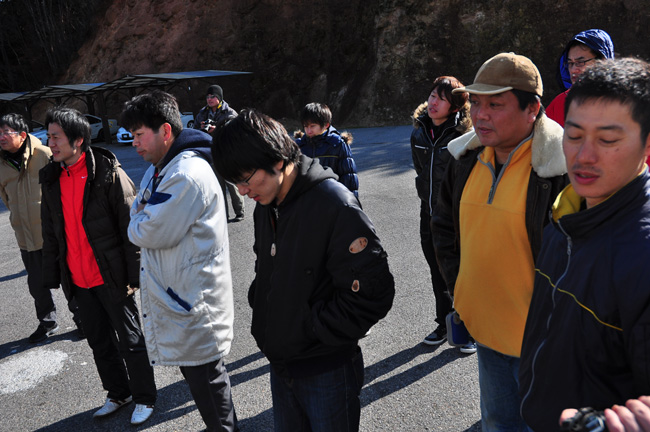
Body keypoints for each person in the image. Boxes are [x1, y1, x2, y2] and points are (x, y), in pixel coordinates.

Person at [212, 109, 395, 432]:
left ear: (277, 159)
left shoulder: (334, 204)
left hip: (327, 370)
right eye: (234, 181)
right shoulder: (267, 205)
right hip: (282, 363)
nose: (241, 190)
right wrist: (266, 309)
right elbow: (266, 270)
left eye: (245, 178)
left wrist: (309, 330)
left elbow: (373, 294)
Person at [431, 52, 567, 431]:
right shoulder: (465, 157)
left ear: (532, 108)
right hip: (486, 331)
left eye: (495, 104)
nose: (480, 115)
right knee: (498, 423)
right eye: (475, 103)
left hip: (544, 344)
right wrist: (460, 288)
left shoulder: (561, 167)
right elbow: (443, 227)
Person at [519, 57, 650, 432]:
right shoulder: (565, 214)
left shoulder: (642, 254)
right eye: (573, 135)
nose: (583, 156)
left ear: (647, 142)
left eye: (607, 140)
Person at [122, 91, 237, 432]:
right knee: (200, 377)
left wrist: (139, 216)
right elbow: (141, 210)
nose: (134, 143)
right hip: (183, 294)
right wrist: (142, 213)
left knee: (207, 379)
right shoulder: (162, 168)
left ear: (166, 131)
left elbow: (146, 230)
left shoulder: (184, 174)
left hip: (193, 299)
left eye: (139, 134)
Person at [39, 107, 157, 425]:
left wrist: (135, 274)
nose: (50, 143)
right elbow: (51, 231)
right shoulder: (51, 178)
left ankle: (145, 397)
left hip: (111, 275)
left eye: (56, 137)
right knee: (99, 342)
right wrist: (50, 274)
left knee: (131, 340)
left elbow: (131, 227)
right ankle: (118, 393)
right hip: (78, 279)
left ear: (78, 140)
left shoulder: (107, 172)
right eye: (49, 136)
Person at [0, 113, 83, 343]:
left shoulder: (45, 155)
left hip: (54, 234)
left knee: (68, 279)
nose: (1, 137)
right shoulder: (1, 164)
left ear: (22, 135)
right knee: (37, 285)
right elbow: (6, 198)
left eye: (6, 132)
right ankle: (47, 322)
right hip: (25, 236)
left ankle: (82, 319)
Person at [409, 76, 474, 352]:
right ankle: (443, 324)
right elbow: (420, 170)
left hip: (459, 217)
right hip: (429, 213)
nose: (433, 102)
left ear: (455, 107)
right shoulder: (419, 132)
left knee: (462, 271)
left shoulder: (465, 136)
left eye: (442, 99)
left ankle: (469, 327)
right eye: (433, 95)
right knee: (437, 271)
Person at [194, 84, 244, 221]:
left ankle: (239, 212)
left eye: (213, 96)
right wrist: (202, 128)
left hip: (227, 153)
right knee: (217, 186)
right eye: (207, 97)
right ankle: (223, 215)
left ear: (220, 98)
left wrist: (217, 130)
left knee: (232, 183)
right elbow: (195, 131)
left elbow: (236, 132)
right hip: (211, 153)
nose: (209, 99)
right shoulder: (202, 113)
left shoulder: (230, 112)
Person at [546, 29, 614, 126]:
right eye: (570, 63)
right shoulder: (560, 103)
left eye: (580, 62)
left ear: (603, 61)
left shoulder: (623, 102)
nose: (573, 70)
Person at [294, 102, 359, 198]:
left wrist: (350, 201)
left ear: (326, 125)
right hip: (307, 201)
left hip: (332, 198)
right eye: (305, 126)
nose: (308, 131)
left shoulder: (337, 144)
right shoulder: (299, 146)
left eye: (312, 126)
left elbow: (348, 177)